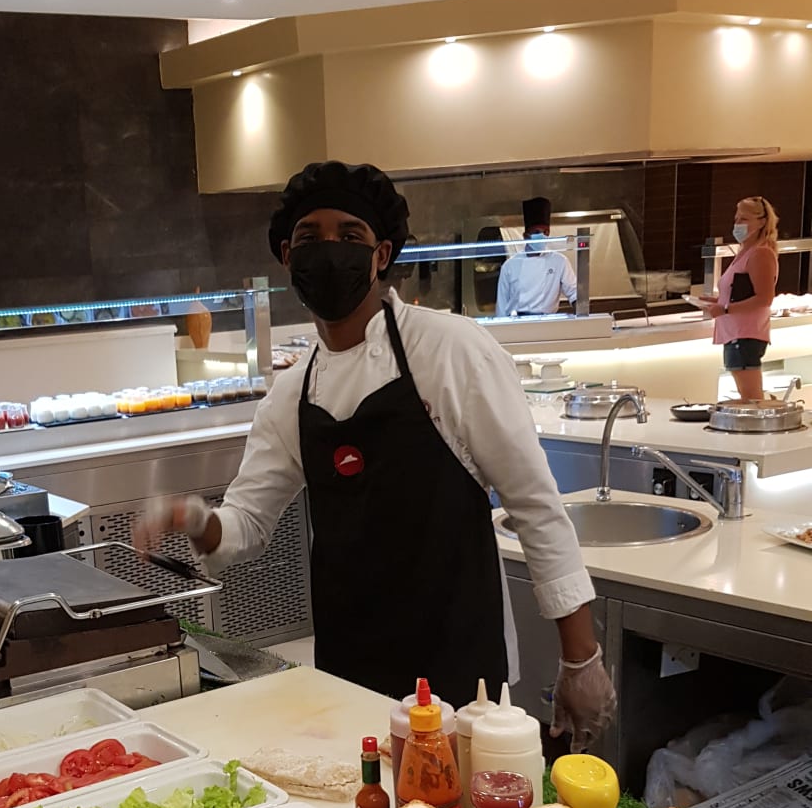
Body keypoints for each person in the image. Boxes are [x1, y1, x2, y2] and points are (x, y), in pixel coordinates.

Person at [136, 161, 616, 751]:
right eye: (309, 237)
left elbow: (535, 506)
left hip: (460, 671)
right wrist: (198, 519)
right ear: (287, 256)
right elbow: (246, 526)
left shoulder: (450, 352)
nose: (328, 250)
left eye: (349, 235)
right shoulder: (292, 394)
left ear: (382, 254)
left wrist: (580, 658)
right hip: (349, 675)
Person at [695, 197, 779, 402]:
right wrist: (718, 301)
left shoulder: (760, 254)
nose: (738, 224)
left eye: (744, 219)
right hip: (735, 334)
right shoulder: (745, 252)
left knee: (751, 399)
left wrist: (725, 309)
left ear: (761, 222)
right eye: (737, 219)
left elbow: (764, 298)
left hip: (745, 335)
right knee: (747, 396)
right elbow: (741, 292)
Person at [496, 196, 577, 318]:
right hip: (517, 322)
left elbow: (575, 293)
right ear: (526, 236)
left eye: (546, 232)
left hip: (548, 321)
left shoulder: (560, 261)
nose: (542, 236)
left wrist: (582, 315)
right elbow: (502, 306)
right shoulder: (510, 266)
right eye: (536, 232)